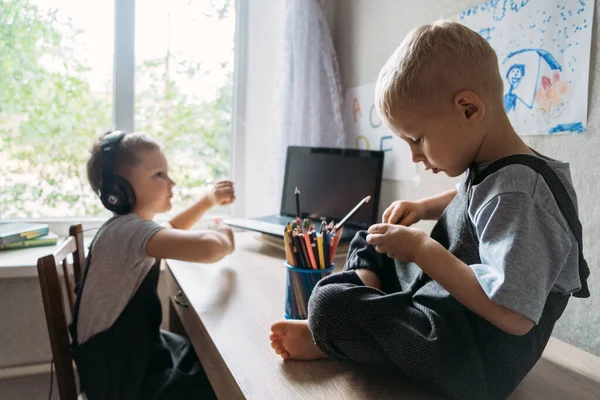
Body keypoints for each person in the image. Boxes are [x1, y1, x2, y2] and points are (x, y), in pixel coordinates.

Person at [270, 21, 590, 400]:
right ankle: (369, 305)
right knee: (374, 234)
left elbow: (515, 317)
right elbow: (471, 196)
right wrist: (422, 206)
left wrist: (422, 250)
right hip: (448, 310)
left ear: (469, 109)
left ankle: (341, 329)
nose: (415, 157)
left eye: (418, 139)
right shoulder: (501, 170)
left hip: (472, 361)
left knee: (327, 306)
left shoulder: (521, 195)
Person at [70, 130, 236, 399]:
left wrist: (207, 201)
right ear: (118, 190)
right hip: (121, 380)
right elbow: (208, 248)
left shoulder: (125, 229)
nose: (171, 182)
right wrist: (226, 236)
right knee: (221, 378)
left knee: (207, 356)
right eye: (159, 174)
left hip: (123, 358)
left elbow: (171, 228)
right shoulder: (131, 232)